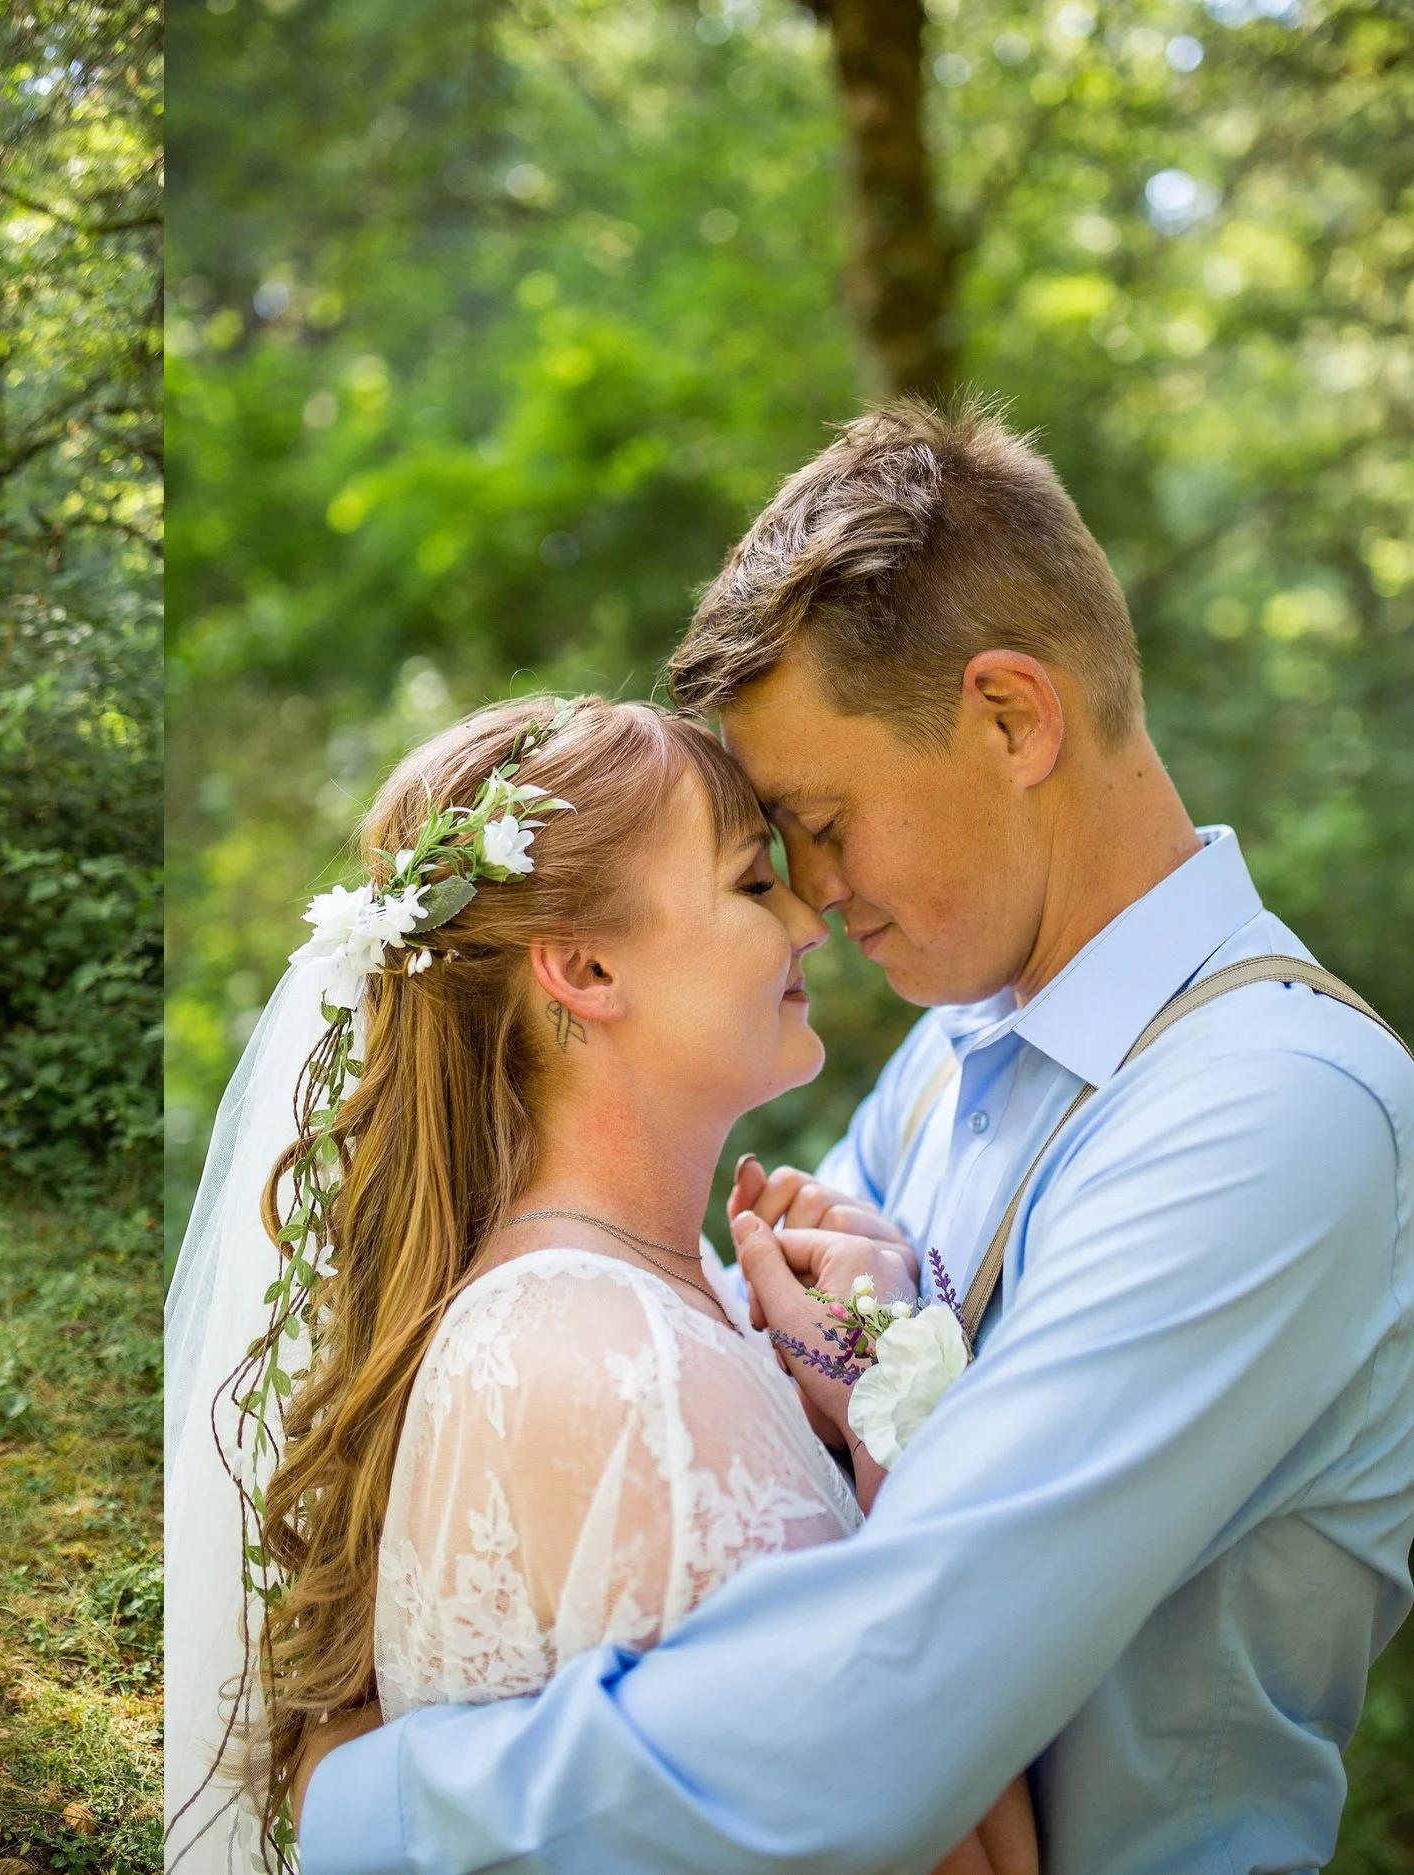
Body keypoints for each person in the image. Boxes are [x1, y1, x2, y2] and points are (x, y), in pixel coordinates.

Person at [290, 399, 1414, 1872]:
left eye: (821, 820)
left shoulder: (1271, 1109)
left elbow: (889, 1687)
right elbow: (759, 1434)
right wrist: (873, 1357)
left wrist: (359, 1807)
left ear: (1010, 717)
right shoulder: (949, 1063)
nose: (811, 895)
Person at [164, 696, 1034, 1873]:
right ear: (583, 968)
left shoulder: (662, 1299)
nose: (808, 920)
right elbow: (973, 1857)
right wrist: (894, 1404)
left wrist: (850, 1370)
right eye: (751, 882)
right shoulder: (624, 1368)